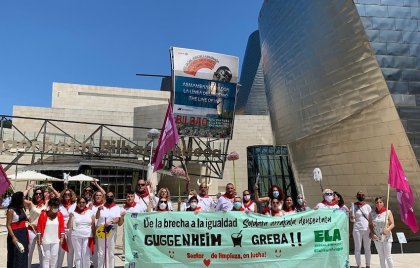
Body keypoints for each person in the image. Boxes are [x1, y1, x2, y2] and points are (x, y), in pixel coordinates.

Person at [36, 198, 65, 268]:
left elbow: (62, 227)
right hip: (45, 240)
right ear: (50, 206)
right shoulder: (43, 214)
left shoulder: (60, 215)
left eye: (57, 207)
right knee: (46, 258)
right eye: (54, 206)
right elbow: (39, 227)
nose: (56, 208)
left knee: (54, 258)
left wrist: (62, 237)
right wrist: (39, 239)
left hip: (55, 240)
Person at [24, 185, 47, 268]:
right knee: (29, 252)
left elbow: (59, 197)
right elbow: (21, 198)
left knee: (42, 252)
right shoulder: (31, 204)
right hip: (32, 230)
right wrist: (28, 189)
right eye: (36, 194)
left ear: (42, 195)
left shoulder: (46, 204)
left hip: (43, 231)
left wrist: (51, 188)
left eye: (40, 194)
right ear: (34, 195)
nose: (38, 195)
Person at [95, 192, 121, 268]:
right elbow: (97, 217)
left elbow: (117, 219)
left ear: (113, 197)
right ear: (105, 197)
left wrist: (111, 222)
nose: (109, 197)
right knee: (101, 251)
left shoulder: (116, 207)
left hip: (111, 231)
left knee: (111, 251)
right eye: (108, 196)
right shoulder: (102, 206)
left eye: (111, 196)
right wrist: (98, 210)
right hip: (102, 231)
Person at [68, 197, 95, 268]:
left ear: (86, 203)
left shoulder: (90, 212)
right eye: (80, 202)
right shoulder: (73, 213)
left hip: (88, 236)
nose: (81, 204)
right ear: (77, 204)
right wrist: (70, 218)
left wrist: (94, 236)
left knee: (86, 255)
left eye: (83, 202)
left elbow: (93, 225)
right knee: (78, 255)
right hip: (76, 236)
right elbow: (69, 226)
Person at [369, 197, 395, 268]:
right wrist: (372, 233)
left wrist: (387, 229)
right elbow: (370, 225)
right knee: (381, 257)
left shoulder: (388, 212)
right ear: (375, 204)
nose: (379, 204)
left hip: (386, 236)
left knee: (388, 257)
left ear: (383, 203)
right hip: (377, 237)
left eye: (380, 202)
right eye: (377, 202)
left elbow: (392, 224)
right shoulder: (372, 213)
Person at [6, 191, 29, 268]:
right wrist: (13, 237)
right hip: (15, 234)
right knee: (15, 255)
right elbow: (8, 225)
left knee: (23, 253)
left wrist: (27, 220)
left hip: (23, 233)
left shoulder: (21, 208)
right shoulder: (11, 210)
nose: (24, 199)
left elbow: (22, 219)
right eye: (23, 198)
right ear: (18, 199)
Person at [350, 191, 372, 268]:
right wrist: (352, 218)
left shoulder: (368, 206)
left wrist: (371, 230)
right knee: (357, 247)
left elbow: (370, 219)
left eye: (362, 195)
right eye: (359, 195)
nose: (361, 196)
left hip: (367, 229)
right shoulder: (353, 206)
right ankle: (358, 264)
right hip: (357, 229)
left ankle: (368, 265)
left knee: (367, 247)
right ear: (357, 196)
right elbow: (351, 220)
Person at [57, 189, 77, 268]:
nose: (67, 195)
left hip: (72, 230)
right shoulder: (59, 205)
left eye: (69, 194)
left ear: (71, 196)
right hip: (62, 230)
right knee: (61, 250)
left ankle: (70, 266)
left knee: (71, 250)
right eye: (65, 194)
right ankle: (58, 266)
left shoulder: (75, 205)